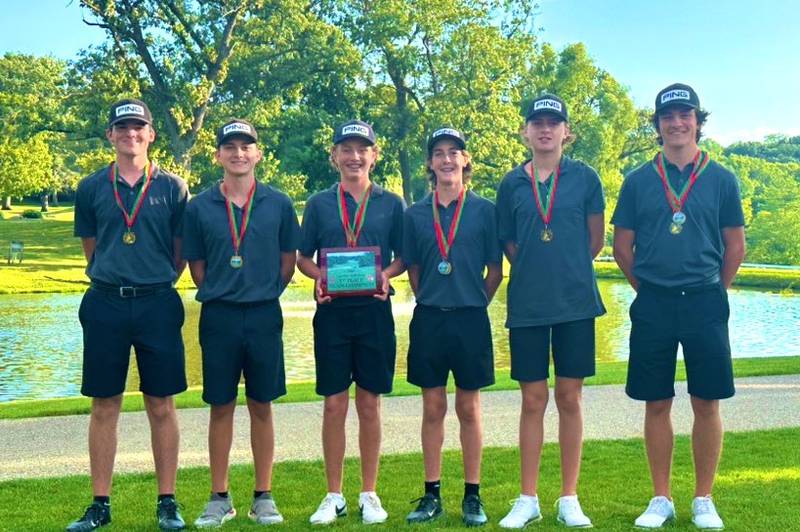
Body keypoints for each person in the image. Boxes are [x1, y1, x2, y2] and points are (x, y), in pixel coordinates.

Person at [612, 83, 745, 530]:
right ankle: (661, 498)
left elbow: (735, 246)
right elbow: (622, 247)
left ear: (698, 122)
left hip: (705, 300)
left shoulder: (722, 178)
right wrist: (646, 289)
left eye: (685, 114)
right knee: (656, 402)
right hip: (654, 302)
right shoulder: (637, 180)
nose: (676, 123)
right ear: (658, 125)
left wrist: (713, 288)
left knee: (707, 401)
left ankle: (704, 498)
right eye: (667, 117)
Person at [68, 98, 189, 531]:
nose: (131, 134)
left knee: (161, 404)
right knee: (105, 405)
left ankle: (168, 501)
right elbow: (91, 248)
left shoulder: (173, 187)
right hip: (105, 302)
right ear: (111, 136)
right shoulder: (91, 187)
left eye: (138, 127)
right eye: (123, 128)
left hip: (157, 301)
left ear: (151, 134)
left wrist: (152, 279)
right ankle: (100, 504)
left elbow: (178, 254)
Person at [182, 120, 300, 528]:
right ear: (218, 155)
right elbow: (197, 267)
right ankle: (219, 497)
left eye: (245, 146)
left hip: (264, 313)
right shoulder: (198, 206)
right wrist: (225, 290)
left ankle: (263, 496)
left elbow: (288, 261)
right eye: (229, 147)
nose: (238, 153)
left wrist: (264, 290)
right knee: (221, 406)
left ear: (258, 153)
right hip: (219, 315)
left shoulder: (279, 203)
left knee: (262, 405)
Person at [496, 94, 606, 528]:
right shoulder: (511, 184)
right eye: (537, 122)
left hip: (576, 302)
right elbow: (508, 241)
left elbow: (593, 241)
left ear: (566, 132)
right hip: (527, 304)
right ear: (525, 131)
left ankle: (568, 497)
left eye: (553, 123)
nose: (545, 129)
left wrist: (565, 269)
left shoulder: (585, 178)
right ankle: (528, 498)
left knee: (569, 397)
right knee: (532, 399)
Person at [297, 120, 405, 525]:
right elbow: (303, 256)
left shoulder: (391, 203)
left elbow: (403, 256)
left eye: (362, 149)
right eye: (347, 149)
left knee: (370, 404)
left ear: (374, 156)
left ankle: (369, 493)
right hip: (332, 314)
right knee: (333, 404)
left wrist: (387, 275)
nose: (354, 156)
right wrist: (318, 277)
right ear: (335, 156)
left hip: (375, 310)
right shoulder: (319, 203)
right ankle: (334, 494)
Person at [402, 127, 503, 527]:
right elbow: (413, 268)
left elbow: (495, 269)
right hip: (429, 317)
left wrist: (476, 300)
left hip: (470, 317)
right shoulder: (414, 214)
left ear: (465, 160)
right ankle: (431, 494)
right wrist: (431, 294)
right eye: (439, 153)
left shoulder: (485, 210)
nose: (446, 160)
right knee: (432, 407)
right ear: (430, 163)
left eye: (453, 153)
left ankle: (473, 496)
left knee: (468, 407)